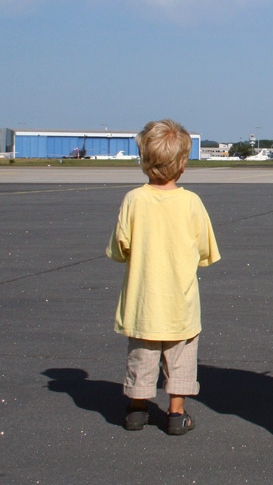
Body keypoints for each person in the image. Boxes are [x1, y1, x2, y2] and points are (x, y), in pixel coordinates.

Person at [106, 119, 220, 435]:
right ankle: (175, 413)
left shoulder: (133, 200)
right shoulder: (191, 202)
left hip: (142, 303)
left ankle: (137, 410)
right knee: (181, 359)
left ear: (144, 161)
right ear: (182, 164)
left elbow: (120, 248)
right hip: (180, 303)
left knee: (141, 357)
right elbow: (205, 251)